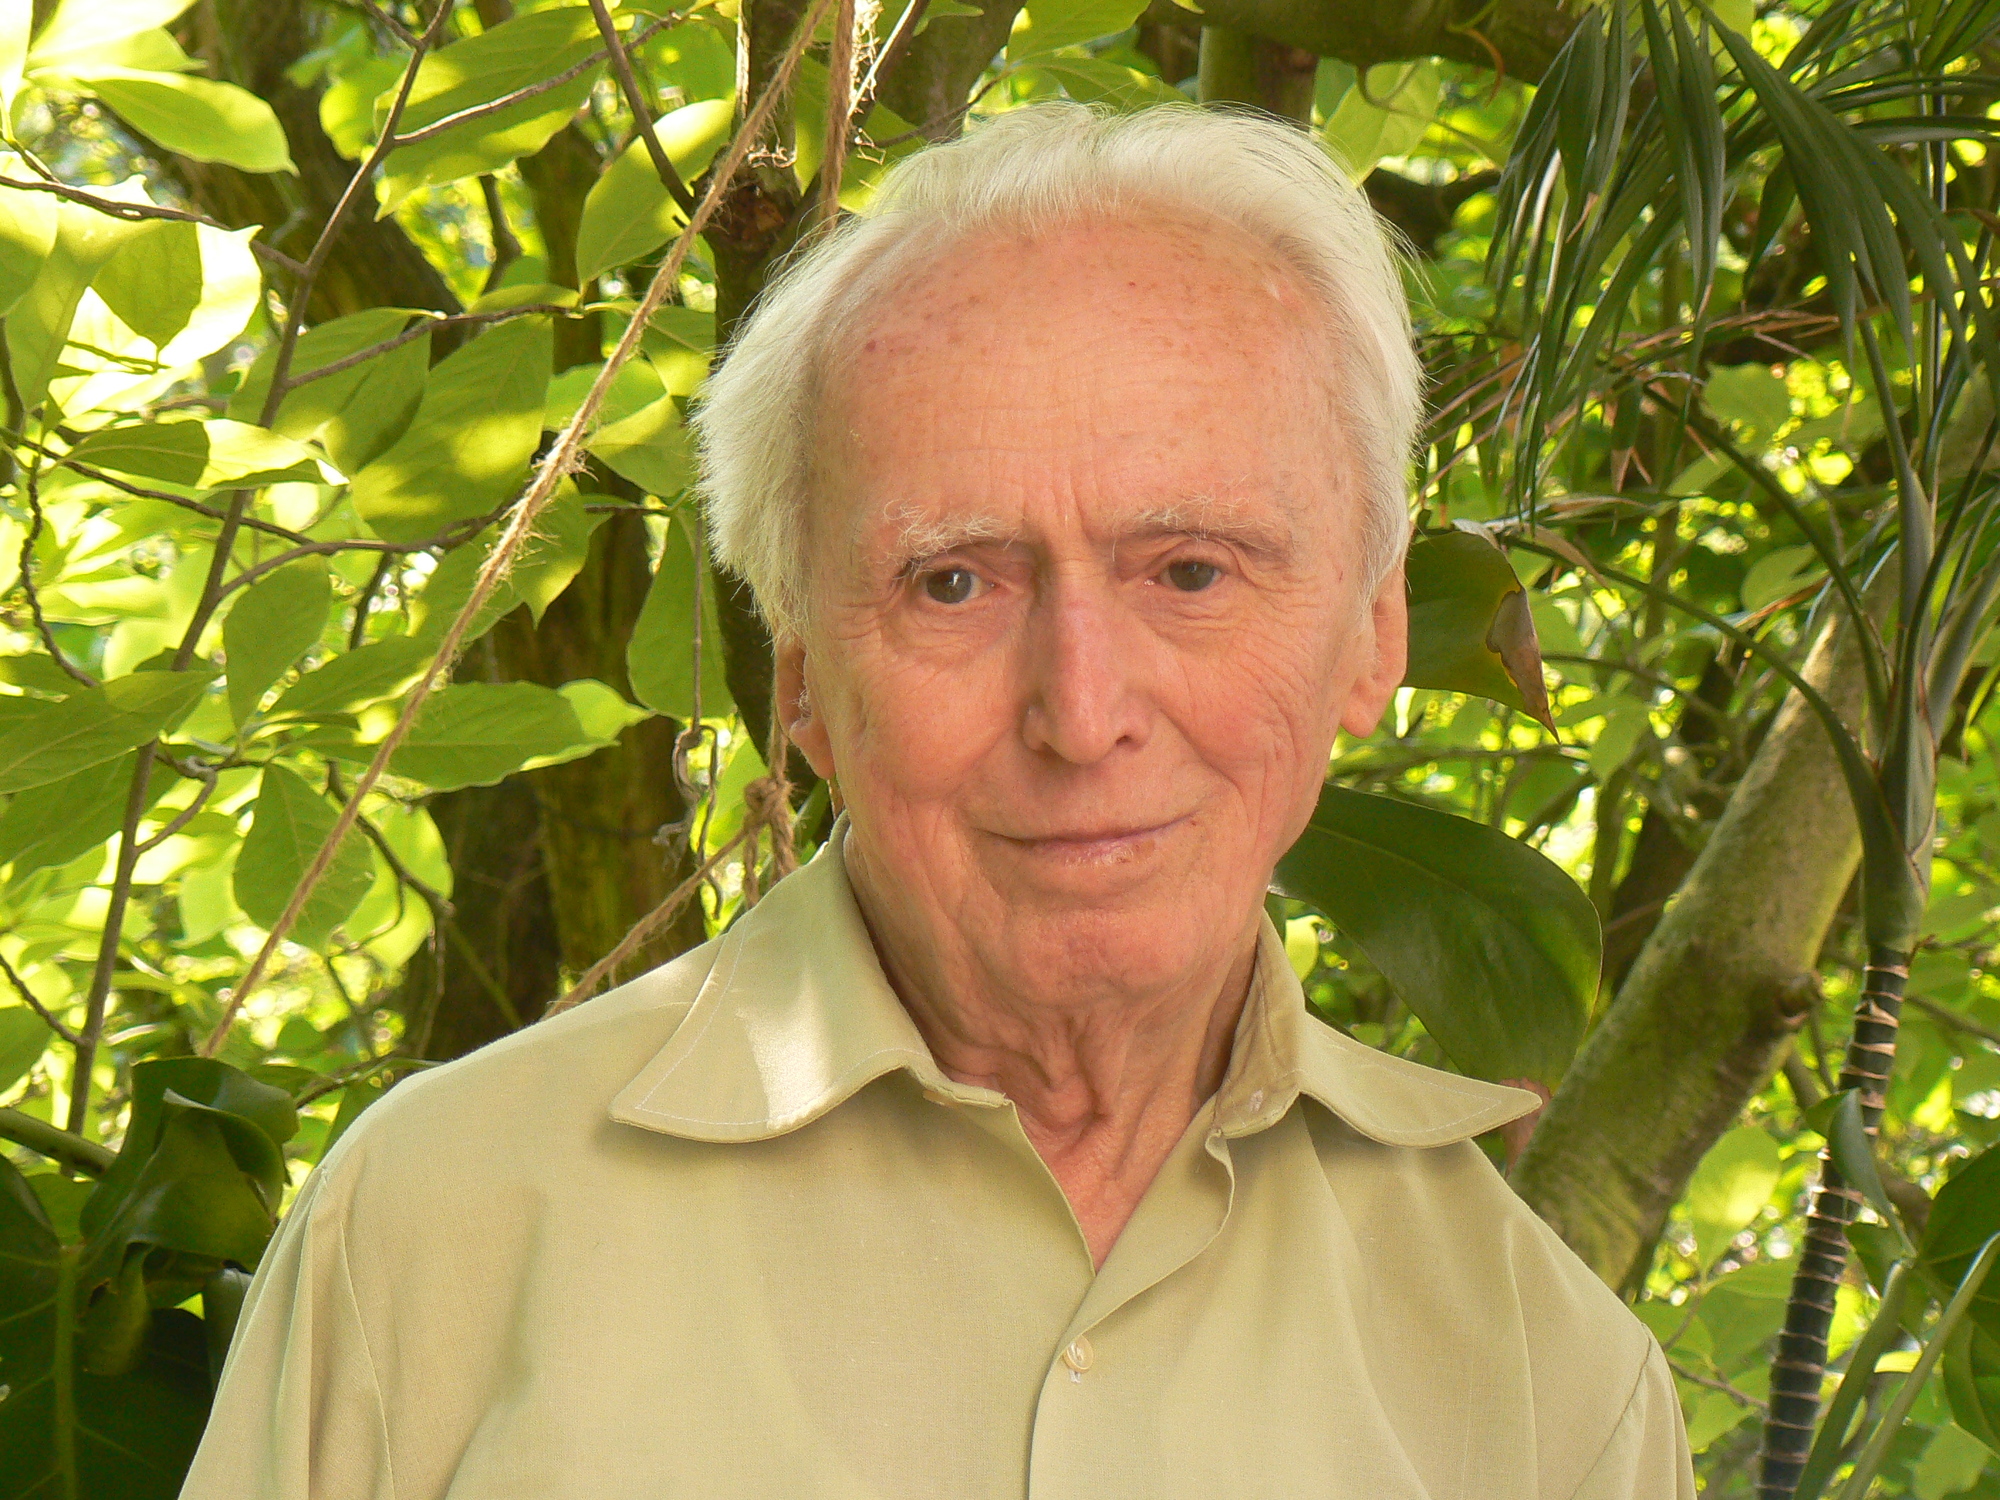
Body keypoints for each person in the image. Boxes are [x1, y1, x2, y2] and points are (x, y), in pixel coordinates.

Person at [182, 102, 1695, 1499]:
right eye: (954, 583)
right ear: (800, 680)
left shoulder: (1547, 1380)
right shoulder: (439, 1231)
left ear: (1372, 632)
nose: (1083, 715)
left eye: (1190, 571)